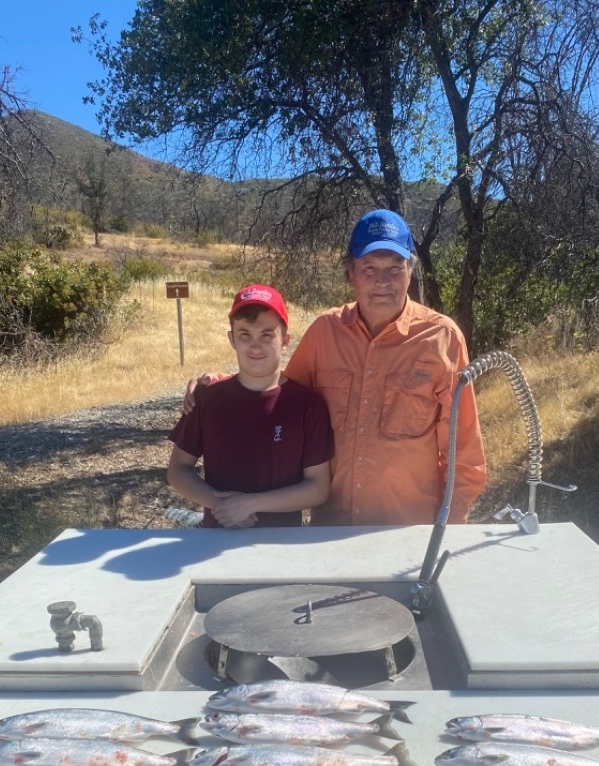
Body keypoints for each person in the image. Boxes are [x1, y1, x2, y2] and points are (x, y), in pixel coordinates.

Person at [186, 210, 486, 528]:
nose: (383, 281)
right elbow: (279, 392)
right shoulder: (325, 332)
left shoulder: (442, 338)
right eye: (369, 268)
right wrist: (218, 384)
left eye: (395, 269)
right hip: (330, 530)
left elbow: (464, 451)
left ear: (410, 273)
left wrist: (450, 528)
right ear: (350, 273)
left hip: (410, 534)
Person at [167, 284, 334, 529]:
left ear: (285, 339)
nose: (255, 345)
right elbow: (178, 471)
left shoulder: (307, 404)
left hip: (283, 545)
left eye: (267, 335)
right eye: (245, 334)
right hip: (216, 537)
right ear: (231, 339)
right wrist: (220, 504)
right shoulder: (208, 397)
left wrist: (251, 504)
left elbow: (318, 488)